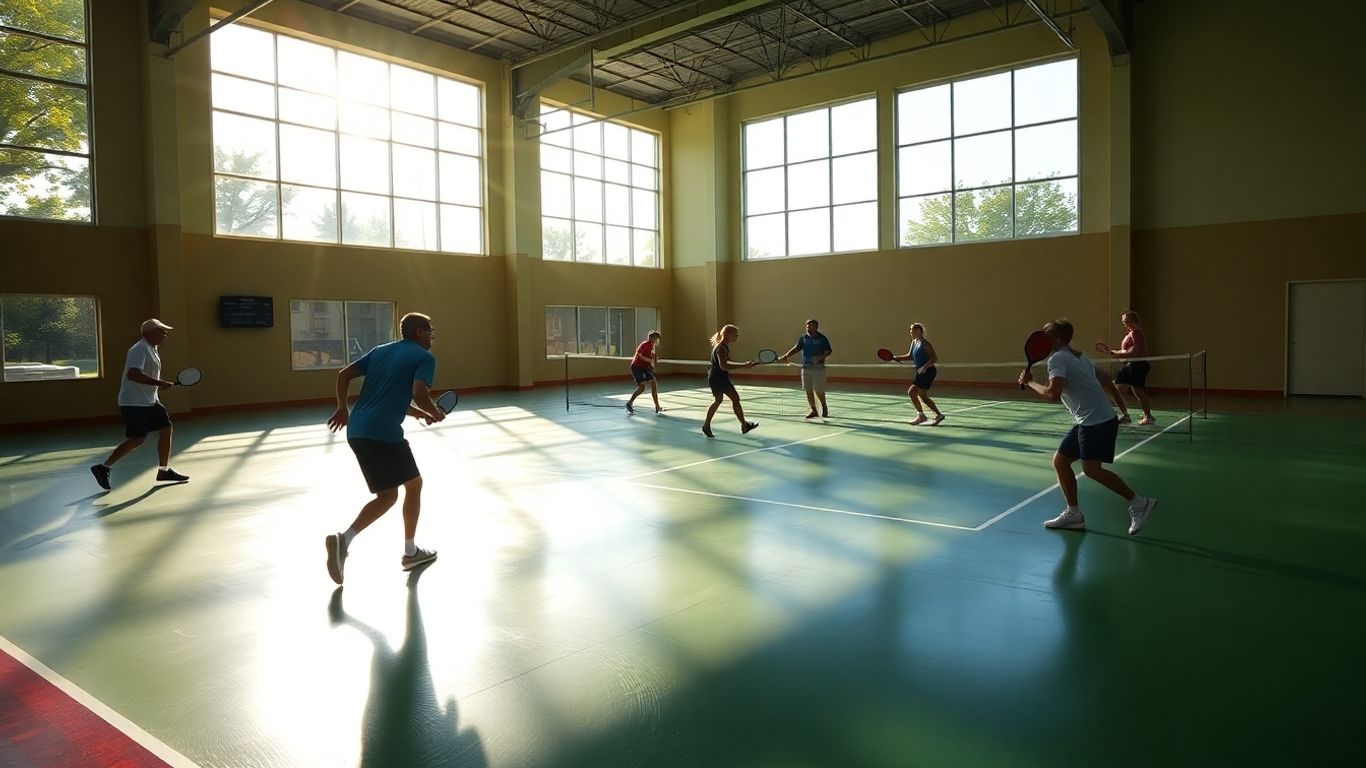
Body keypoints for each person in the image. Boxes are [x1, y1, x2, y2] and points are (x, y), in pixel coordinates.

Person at [324, 312, 445, 585]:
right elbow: (419, 393)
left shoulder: (381, 352)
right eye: (430, 331)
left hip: (358, 431)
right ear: (419, 333)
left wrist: (343, 408)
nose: (432, 336)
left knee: (387, 495)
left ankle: (344, 540)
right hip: (384, 433)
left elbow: (344, 376)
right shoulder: (424, 358)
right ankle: (411, 552)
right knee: (414, 485)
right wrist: (434, 411)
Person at [1019, 319, 1157, 535]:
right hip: (1093, 420)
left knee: (1091, 470)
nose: (1042, 341)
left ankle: (1139, 502)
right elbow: (1105, 378)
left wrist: (1030, 383)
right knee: (1061, 461)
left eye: (1046, 336)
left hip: (1096, 422)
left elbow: (1053, 394)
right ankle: (1073, 514)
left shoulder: (1057, 360)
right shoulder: (1078, 355)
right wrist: (1123, 410)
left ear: (1055, 339)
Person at [89, 319, 189, 490]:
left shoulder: (153, 349)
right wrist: (159, 382)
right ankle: (103, 467)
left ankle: (163, 471)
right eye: (161, 331)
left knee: (166, 429)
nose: (165, 335)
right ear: (148, 333)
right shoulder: (140, 348)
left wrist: (158, 386)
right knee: (138, 438)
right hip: (134, 402)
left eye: (165, 332)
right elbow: (133, 374)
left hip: (151, 400)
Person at [702, 324, 758, 438]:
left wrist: (746, 364)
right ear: (728, 334)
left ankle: (744, 425)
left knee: (732, 399)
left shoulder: (724, 347)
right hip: (717, 378)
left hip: (720, 377)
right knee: (720, 400)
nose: (737, 336)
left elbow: (728, 363)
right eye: (735, 334)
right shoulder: (720, 348)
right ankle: (706, 425)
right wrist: (744, 365)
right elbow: (724, 366)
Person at [1105, 310, 1156, 426]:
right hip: (1131, 365)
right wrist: (1117, 352)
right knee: (1121, 389)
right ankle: (1128, 415)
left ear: (1132, 320)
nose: (1123, 322)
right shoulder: (1131, 333)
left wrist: (1119, 355)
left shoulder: (1136, 332)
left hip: (1137, 365)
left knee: (1120, 389)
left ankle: (1141, 416)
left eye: (1125, 320)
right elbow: (1128, 350)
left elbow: (1135, 351)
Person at [779, 318, 833, 419]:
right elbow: (796, 348)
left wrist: (819, 358)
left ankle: (824, 407)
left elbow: (828, 351)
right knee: (808, 389)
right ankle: (813, 410)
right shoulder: (803, 338)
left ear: (816, 327)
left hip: (818, 369)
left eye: (810, 326)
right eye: (807, 326)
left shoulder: (822, 339)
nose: (808, 328)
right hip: (806, 368)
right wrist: (786, 356)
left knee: (818, 390)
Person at [893, 322, 943, 426]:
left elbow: (934, 358)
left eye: (915, 330)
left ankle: (921, 416)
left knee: (912, 392)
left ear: (921, 331)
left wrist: (925, 367)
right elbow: (910, 356)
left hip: (928, 371)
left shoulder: (925, 344)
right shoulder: (914, 342)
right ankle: (938, 415)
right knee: (922, 395)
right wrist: (896, 357)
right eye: (911, 330)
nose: (912, 332)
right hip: (920, 372)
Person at [626, 330, 662, 414]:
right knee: (642, 387)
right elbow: (639, 355)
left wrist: (652, 363)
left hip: (643, 367)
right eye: (655, 338)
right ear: (651, 338)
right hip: (637, 367)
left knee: (653, 382)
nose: (657, 340)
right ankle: (629, 403)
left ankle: (657, 406)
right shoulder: (647, 344)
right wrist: (649, 360)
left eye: (657, 338)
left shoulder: (652, 346)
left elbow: (651, 357)